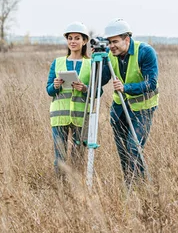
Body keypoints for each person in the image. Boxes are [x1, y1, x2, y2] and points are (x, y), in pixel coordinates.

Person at [100, 18, 159, 185]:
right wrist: (96, 61)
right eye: (109, 42)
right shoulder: (110, 54)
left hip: (142, 109)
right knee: (123, 151)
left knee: (134, 148)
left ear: (127, 39)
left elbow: (151, 83)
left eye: (115, 42)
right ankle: (129, 185)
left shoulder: (145, 52)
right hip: (119, 109)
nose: (112, 46)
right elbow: (103, 79)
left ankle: (141, 185)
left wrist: (126, 88)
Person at [46, 22, 91, 176]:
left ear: (84, 41)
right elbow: (49, 91)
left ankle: (77, 187)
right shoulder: (57, 62)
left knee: (78, 156)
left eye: (77, 38)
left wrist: (84, 89)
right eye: (70, 38)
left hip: (81, 117)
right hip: (59, 116)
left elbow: (97, 91)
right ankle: (61, 189)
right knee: (60, 157)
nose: (73, 41)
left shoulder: (91, 64)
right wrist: (56, 85)